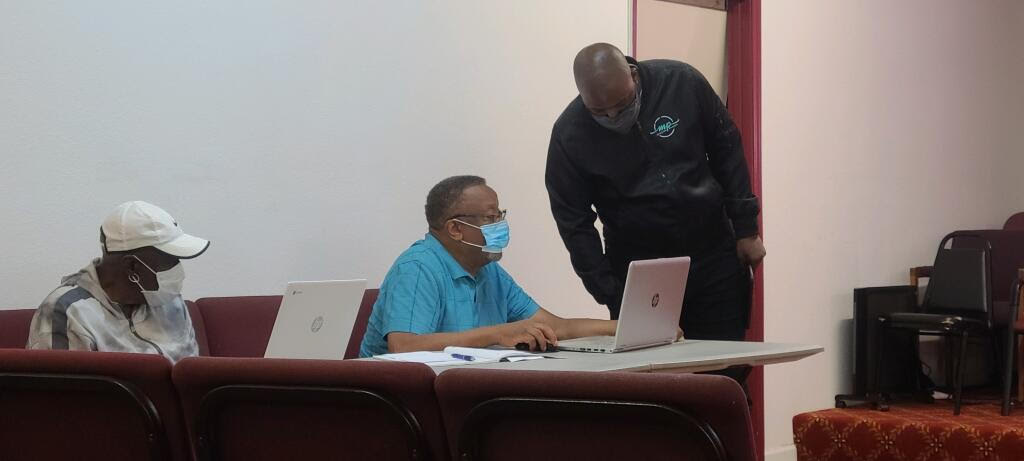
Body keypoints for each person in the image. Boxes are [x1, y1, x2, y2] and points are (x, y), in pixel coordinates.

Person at [546, 43, 765, 361]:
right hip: (639, 267)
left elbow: (726, 148)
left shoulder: (681, 82)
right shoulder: (569, 134)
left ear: (633, 75)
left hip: (711, 249)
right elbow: (572, 221)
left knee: (722, 365)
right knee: (652, 370)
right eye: (600, 112)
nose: (613, 117)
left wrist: (746, 228)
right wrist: (610, 291)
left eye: (622, 105)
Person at [359, 175, 618, 357]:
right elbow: (404, 347)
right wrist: (498, 334)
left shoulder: (487, 269)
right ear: (455, 229)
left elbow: (557, 327)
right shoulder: (417, 268)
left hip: (466, 394)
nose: (500, 226)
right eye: (490, 218)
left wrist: (622, 328)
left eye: (500, 216)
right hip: (401, 406)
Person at [26, 201, 209, 363]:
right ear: (132, 266)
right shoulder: (69, 311)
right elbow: (65, 389)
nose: (177, 270)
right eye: (170, 261)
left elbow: (191, 372)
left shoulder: (169, 302)